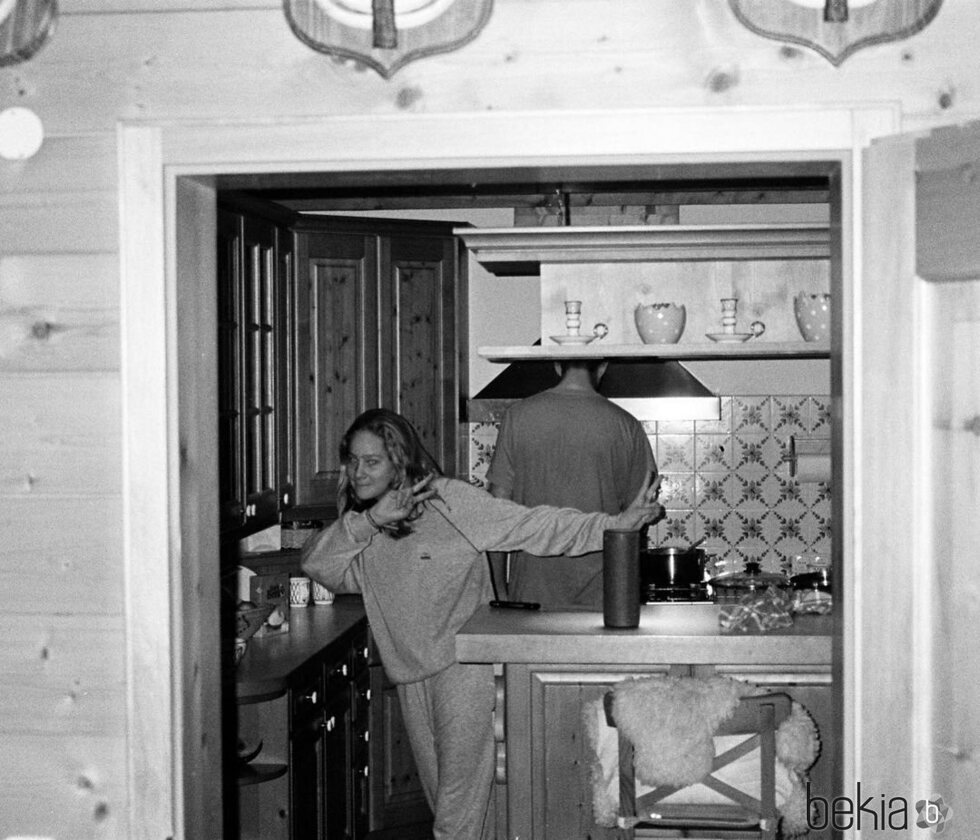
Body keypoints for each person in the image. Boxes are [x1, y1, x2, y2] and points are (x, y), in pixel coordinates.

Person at [301, 408, 662, 840]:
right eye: (353, 461)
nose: (358, 472)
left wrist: (612, 525)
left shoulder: (447, 501)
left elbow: (533, 525)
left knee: (456, 814)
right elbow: (318, 565)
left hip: (464, 669)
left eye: (372, 461)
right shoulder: (364, 524)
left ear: (400, 461)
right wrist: (370, 520)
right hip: (411, 673)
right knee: (455, 805)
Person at [486, 359, 657, 609]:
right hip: (603, 594)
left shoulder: (517, 416)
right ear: (603, 367)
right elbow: (637, 520)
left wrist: (498, 588)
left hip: (532, 593)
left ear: (556, 365)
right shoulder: (626, 425)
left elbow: (497, 513)